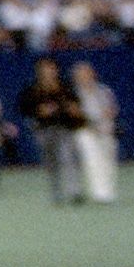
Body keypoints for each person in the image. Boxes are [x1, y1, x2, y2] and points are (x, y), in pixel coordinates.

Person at [23, 57, 85, 205]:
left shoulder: (65, 87)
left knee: (68, 158)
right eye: (45, 69)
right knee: (51, 163)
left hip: (64, 127)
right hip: (44, 130)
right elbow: (26, 109)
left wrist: (72, 109)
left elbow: (76, 105)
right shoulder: (34, 90)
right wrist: (39, 111)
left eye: (51, 68)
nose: (49, 72)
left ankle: (74, 191)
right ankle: (56, 192)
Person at [72, 59, 120, 203]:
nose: (85, 77)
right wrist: (91, 124)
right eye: (81, 75)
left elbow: (112, 109)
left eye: (87, 74)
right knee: (93, 160)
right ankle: (100, 192)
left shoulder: (104, 91)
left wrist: (104, 120)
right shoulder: (73, 95)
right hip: (85, 131)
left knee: (108, 161)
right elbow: (75, 113)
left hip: (106, 130)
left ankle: (109, 190)